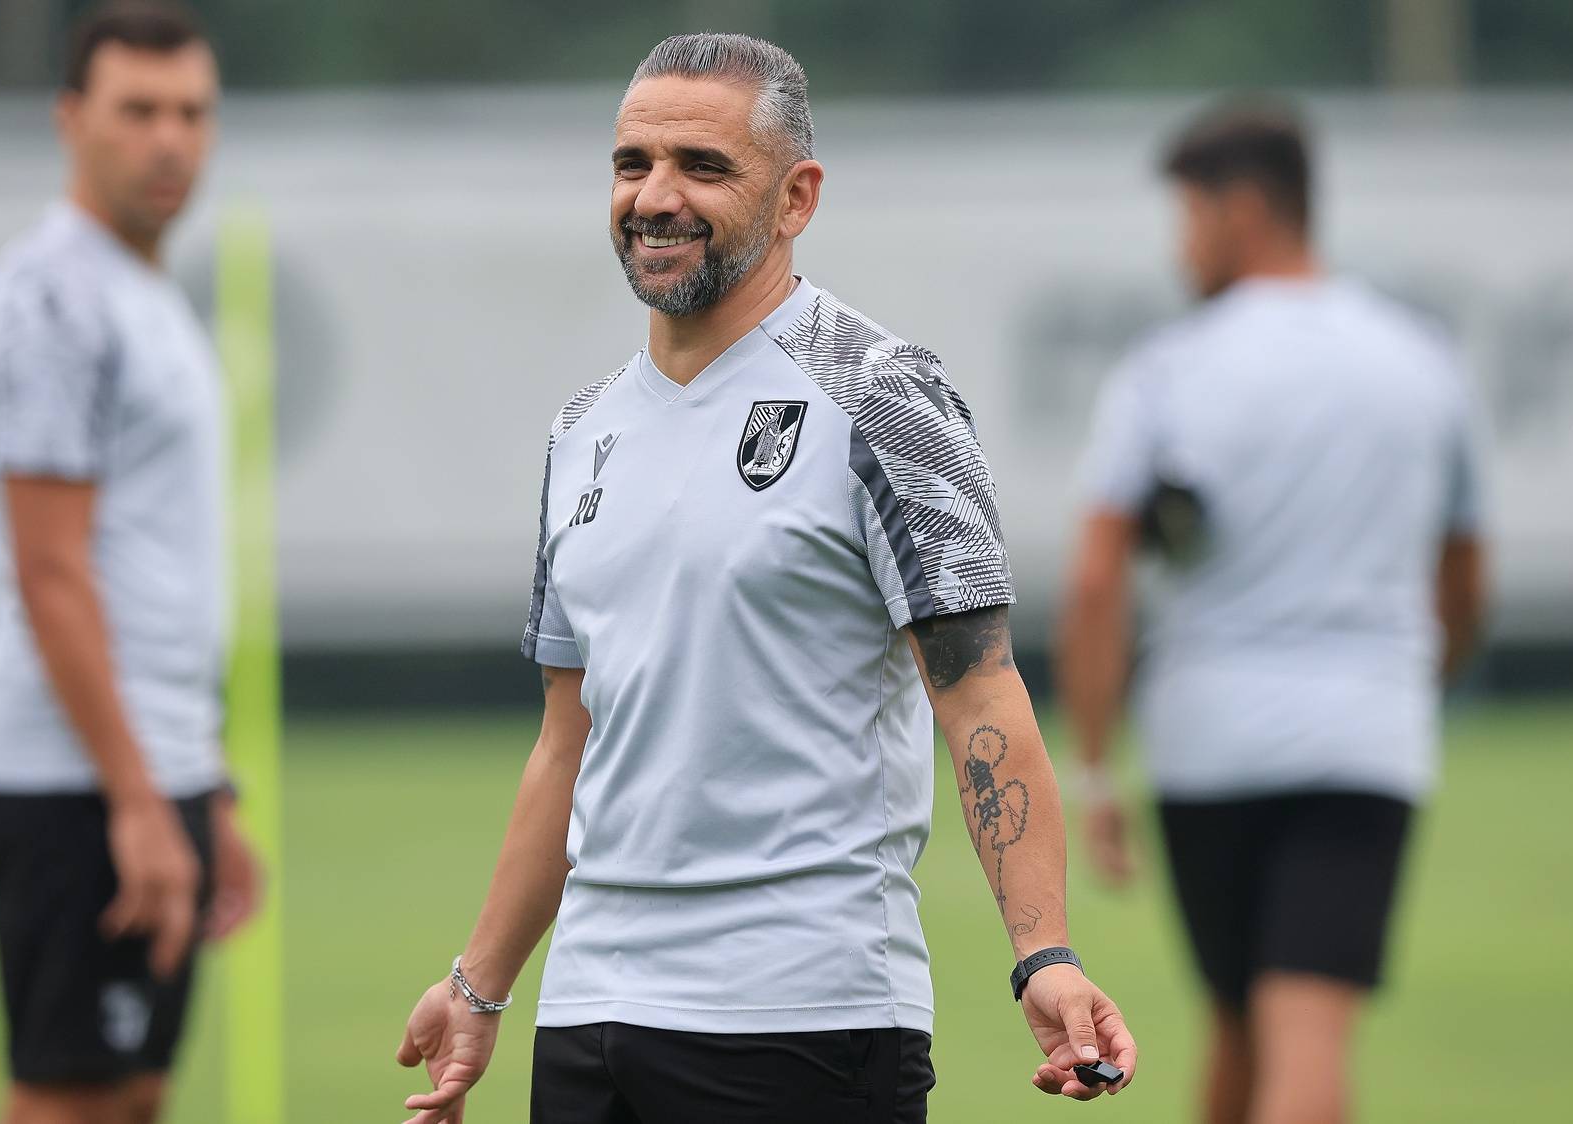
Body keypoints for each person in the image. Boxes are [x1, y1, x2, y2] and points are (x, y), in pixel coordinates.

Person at [395, 32, 1137, 1124]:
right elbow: (568, 738)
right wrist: (479, 982)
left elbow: (977, 692)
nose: (654, 196)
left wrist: (1043, 953)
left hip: (804, 1020)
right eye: (630, 163)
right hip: (592, 1018)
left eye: (701, 166)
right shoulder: (580, 431)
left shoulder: (885, 397)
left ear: (796, 197)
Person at [1055, 100, 1489, 1124]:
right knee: (1303, 1031)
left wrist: (1091, 758)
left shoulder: (1166, 370)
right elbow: (1463, 572)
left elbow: (1092, 579)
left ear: (1241, 208)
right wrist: (1417, 680)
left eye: (1188, 215)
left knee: (1239, 1023)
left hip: (1207, 741)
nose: (1180, 245)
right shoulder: (1418, 359)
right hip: (1358, 738)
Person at [0, 4, 260, 1121]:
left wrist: (199, 782)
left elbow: (152, 567)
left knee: (129, 1094)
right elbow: (51, 572)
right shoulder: (54, 297)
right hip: (69, 771)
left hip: (146, 761)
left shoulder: (143, 290)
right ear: (71, 119)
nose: (169, 139)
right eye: (138, 111)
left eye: (191, 112)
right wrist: (134, 797)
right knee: (70, 1099)